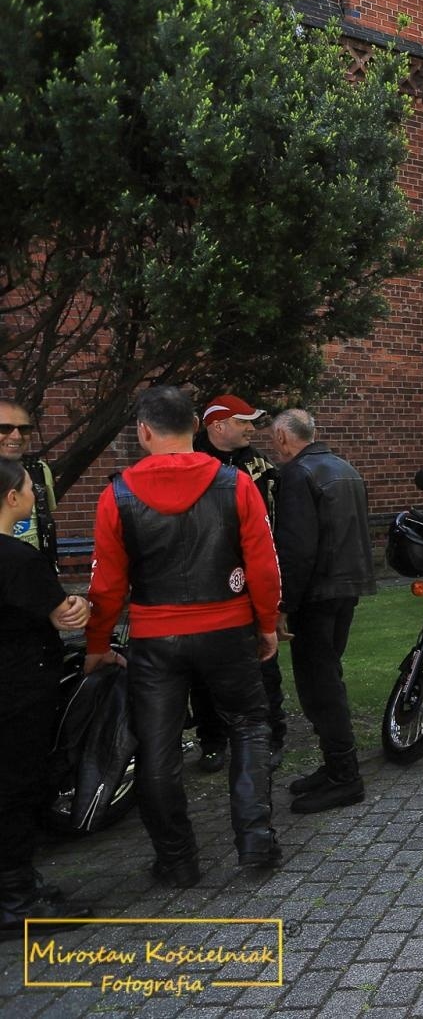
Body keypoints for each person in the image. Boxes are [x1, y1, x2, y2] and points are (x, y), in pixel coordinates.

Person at [85, 386, 283, 884]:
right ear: (196, 428)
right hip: (228, 627)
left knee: (157, 746)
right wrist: (265, 623)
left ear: (143, 432)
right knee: (248, 725)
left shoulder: (117, 494)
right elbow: (263, 565)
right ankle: (256, 842)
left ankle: (177, 860)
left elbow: (105, 584)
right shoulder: (236, 484)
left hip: (155, 637)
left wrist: (96, 644)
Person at [0, 458, 93, 937]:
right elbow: (65, 614)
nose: (36, 496)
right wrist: (79, 605)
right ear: (12, 496)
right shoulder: (17, 558)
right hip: (18, 690)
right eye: (30, 488)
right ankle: (16, 897)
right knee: (17, 790)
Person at [270, 409, 377, 815]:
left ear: (283, 436)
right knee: (327, 675)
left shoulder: (299, 475)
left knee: (320, 684)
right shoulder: (343, 467)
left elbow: (296, 547)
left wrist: (282, 604)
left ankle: (344, 775)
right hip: (344, 587)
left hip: (317, 591)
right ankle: (336, 766)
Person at [191, 394, 286, 773]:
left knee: (263, 666)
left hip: (251, 587)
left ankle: (270, 739)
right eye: (244, 421)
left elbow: (273, 532)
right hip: (199, 588)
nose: (251, 428)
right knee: (202, 670)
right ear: (218, 426)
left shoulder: (261, 469)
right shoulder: (191, 463)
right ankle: (212, 741)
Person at [0, 399, 58, 567]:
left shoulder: (39, 469)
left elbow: (45, 520)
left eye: (24, 429)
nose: (16, 436)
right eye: (5, 428)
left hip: (32, 570)